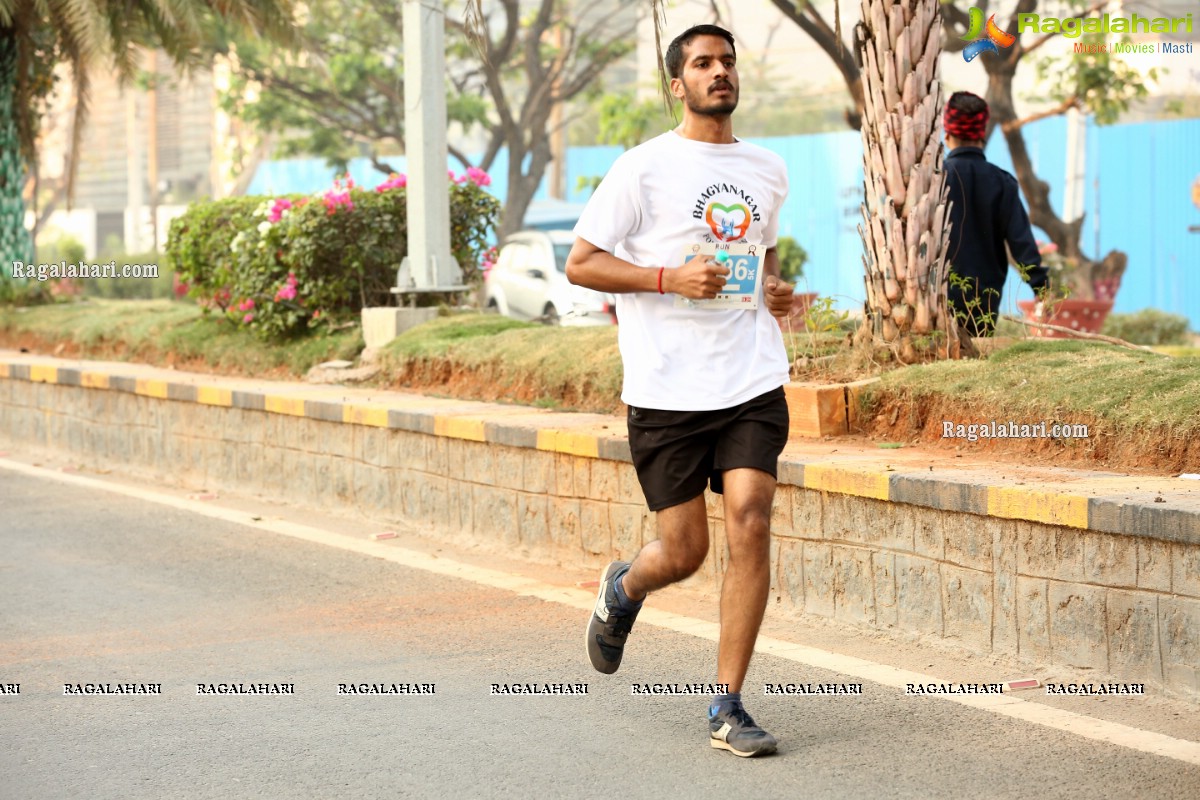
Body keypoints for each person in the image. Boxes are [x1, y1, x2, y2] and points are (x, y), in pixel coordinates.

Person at [565, 23, 794, 758]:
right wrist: (665, 278)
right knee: (684, 551)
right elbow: (581, 263)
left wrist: (778, 292)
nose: (718, 72)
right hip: (667, 387)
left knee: (751, 517)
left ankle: (728, 703)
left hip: (752, 377)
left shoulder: (767, 168)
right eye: (702, 63)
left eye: (727, 61)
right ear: (678, 83)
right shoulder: (643, 169)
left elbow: (759, 259)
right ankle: (624, 589)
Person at [943, 90, 1049, 337]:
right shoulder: (1002, 183)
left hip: (933, 300)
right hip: (984, 302)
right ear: (982, 135)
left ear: (947, 133)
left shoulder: (932, 179)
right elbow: (1022, 244)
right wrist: (1041, 288)